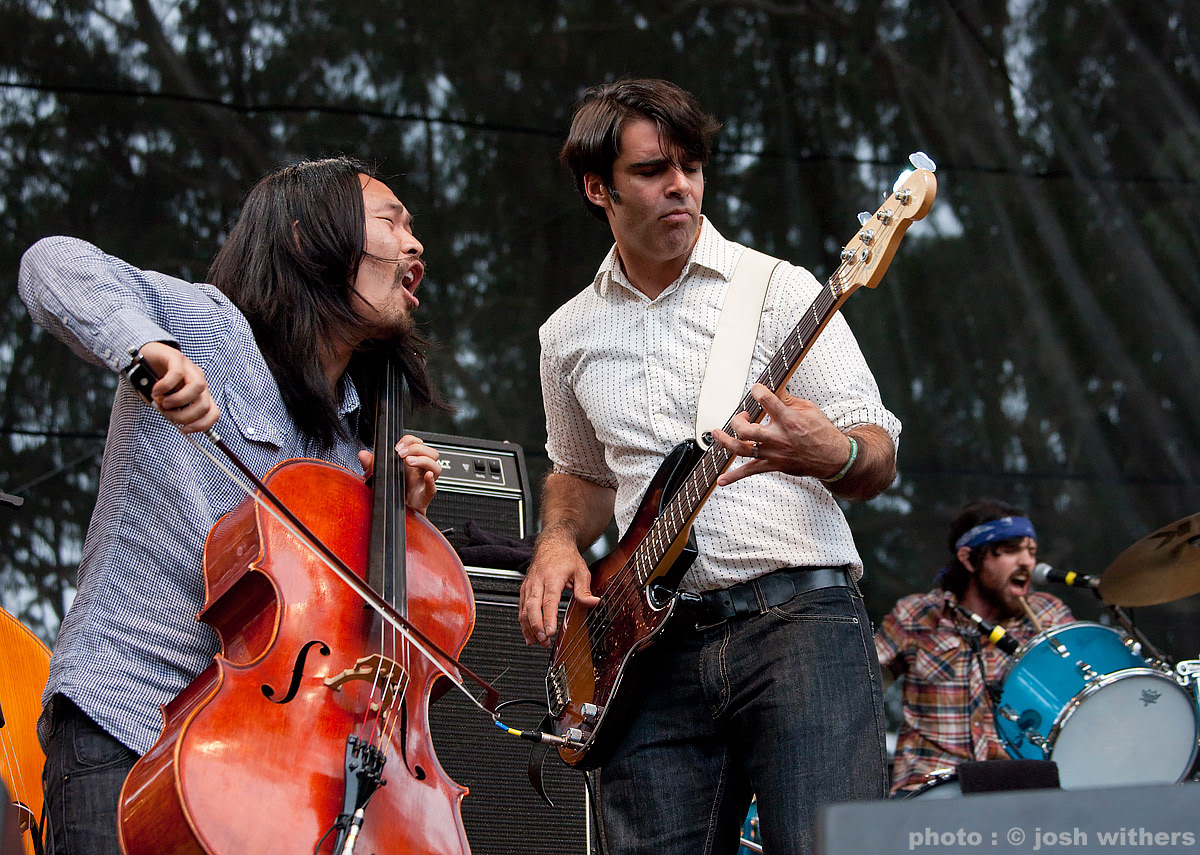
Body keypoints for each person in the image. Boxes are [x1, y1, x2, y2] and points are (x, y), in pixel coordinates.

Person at [18, 157, 450, 855]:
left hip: (256, 771)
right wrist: (150, 350)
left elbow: (327, 637)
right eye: (391, 222)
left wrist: (395, 523)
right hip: (128, 725)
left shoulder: (349, 442)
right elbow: (52, 263)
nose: (415, 242)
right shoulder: (210, 328)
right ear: (309, 237)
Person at [519, 78, 900, 855]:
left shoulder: (781, 289)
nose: (681, 186)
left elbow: (877, 451)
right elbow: (582, 474)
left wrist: (833, 452)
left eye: (690, 167)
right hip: (649, 653)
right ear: (597, 187)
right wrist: (556, 540)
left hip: (798, 622)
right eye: (652, 170)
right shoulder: (566, 335)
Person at [875, 499, 1074, 795]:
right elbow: (860, 692)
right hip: (931, 788)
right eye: (1011, 550)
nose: (1027, 562)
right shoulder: (917, 614)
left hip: (1023, 787)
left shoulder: (1049, 615)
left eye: (1031, 552)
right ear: (969, 559)